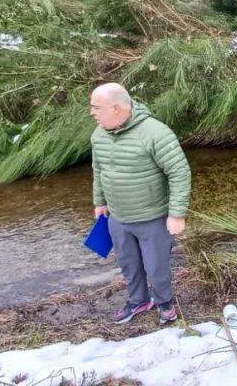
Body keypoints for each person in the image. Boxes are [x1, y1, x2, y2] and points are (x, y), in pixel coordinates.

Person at [89, 83, 192, 325]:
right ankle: (138, 301)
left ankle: (164, 302)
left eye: (96, 108)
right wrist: (99, 201)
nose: (92, 113)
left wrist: (176, 214)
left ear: (115, 108)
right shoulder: (99, 134)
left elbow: (179, 173)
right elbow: (99, 170)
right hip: (118, 218)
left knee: (156, 267)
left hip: (152, 218)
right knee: (128, 264)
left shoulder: (156, 133)